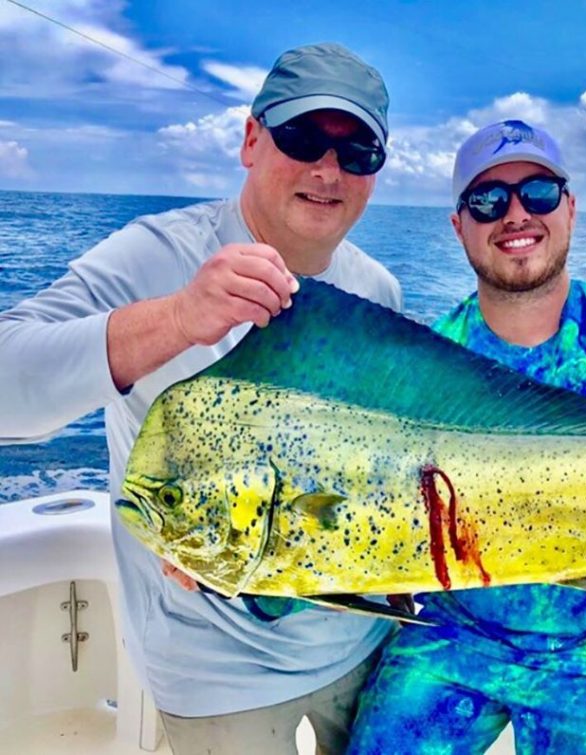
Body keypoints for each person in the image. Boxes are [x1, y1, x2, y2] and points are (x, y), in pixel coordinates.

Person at [0, 42, 400, 754]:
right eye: (304, 137)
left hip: (363, 644)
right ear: (251, 139)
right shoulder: (151, 255)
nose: (327, 170)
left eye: (356, 152)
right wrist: (180, 317)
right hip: (218, 682)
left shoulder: (376, 291)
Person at [348, 120, 586, 754]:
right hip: (455, 634)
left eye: (538, 193)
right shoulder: (427, 367)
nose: (515, 214)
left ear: (569, 208)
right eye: (488, 201)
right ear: (459, 225)